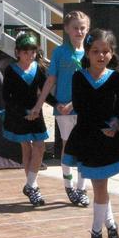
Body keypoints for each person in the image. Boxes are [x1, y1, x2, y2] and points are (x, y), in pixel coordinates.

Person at [62, 28, 119, 238]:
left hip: (108, 139)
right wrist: (101, 125)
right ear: (87, 53)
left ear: (112, 53)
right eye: (96, 51)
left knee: (100, 186)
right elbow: (82, 106)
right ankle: (108, 226)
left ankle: (98, 231)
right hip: (87, 138)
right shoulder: (79, 76)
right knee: (100, 187)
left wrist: (116, 124)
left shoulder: (115, 78)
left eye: (106, 51)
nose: (101, 55)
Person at [31, 11, 91, 207]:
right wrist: (40, 104)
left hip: (83, 108)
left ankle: (82, 188)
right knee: (68, 146)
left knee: (84, 148)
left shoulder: (91, 52)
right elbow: (51, 80)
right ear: (66, 29)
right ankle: (69, 185)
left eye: (83, 28)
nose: (79, 31)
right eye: (75, 28)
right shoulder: (60, 52)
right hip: (64, 108)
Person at [2, 32, 56, 206]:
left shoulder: (39, 69)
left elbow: (45, 91)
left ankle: (30, 185)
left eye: (33, 51)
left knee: (39, 147)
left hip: (35, 113)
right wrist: (22, 111)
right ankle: (34, 188)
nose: (29, 55)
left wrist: (57, 104)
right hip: (20, 115)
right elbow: (6, 96)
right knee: (26, 148)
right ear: (17, 52)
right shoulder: (11, 70)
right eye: (25, 51)